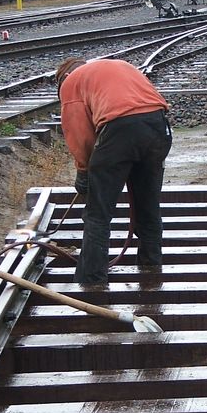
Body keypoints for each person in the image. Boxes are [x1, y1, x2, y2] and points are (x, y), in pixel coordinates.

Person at [55, 57, 172, 283]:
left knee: (98, 213)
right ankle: (151, 267)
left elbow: (80, 136)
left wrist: (83, 172)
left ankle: (92, 279)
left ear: (63, 79)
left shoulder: (72, 83)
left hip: (120, 130)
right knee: (147, 206)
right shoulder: (118, 66)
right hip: (158, 127)